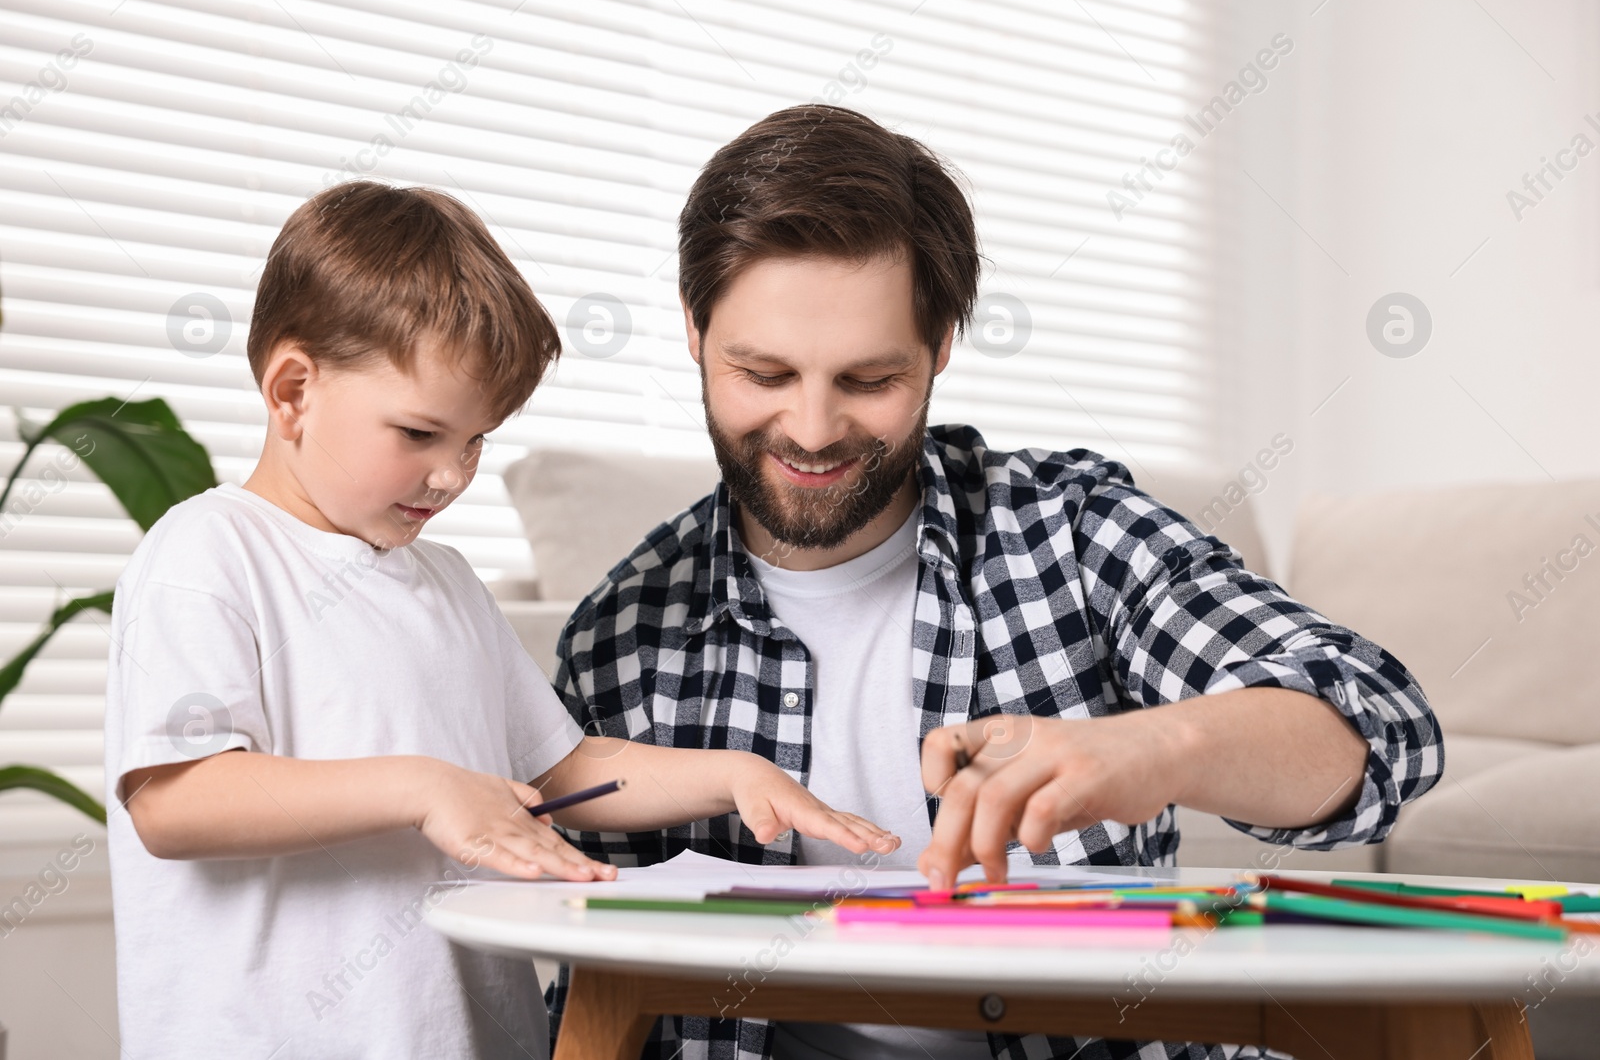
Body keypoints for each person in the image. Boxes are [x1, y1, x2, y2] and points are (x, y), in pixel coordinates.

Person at [546, 106, 1444, 1060]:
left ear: (939, 346)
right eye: (762, 371)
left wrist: (1152, 749)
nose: (810, 427)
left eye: (868, 379)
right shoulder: (622, 640)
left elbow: (1381, 727)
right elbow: (596, 1000)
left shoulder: (1070, 531)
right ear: (693, 331)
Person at [103, 181, 899, 1060]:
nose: (450, 476)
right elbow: (176, 801)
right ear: (293, 390)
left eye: (475, 441)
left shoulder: (441, 580)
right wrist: (422, 786)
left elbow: (563, 771)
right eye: (418, 433)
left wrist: (731, 773)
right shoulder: (208, 554)